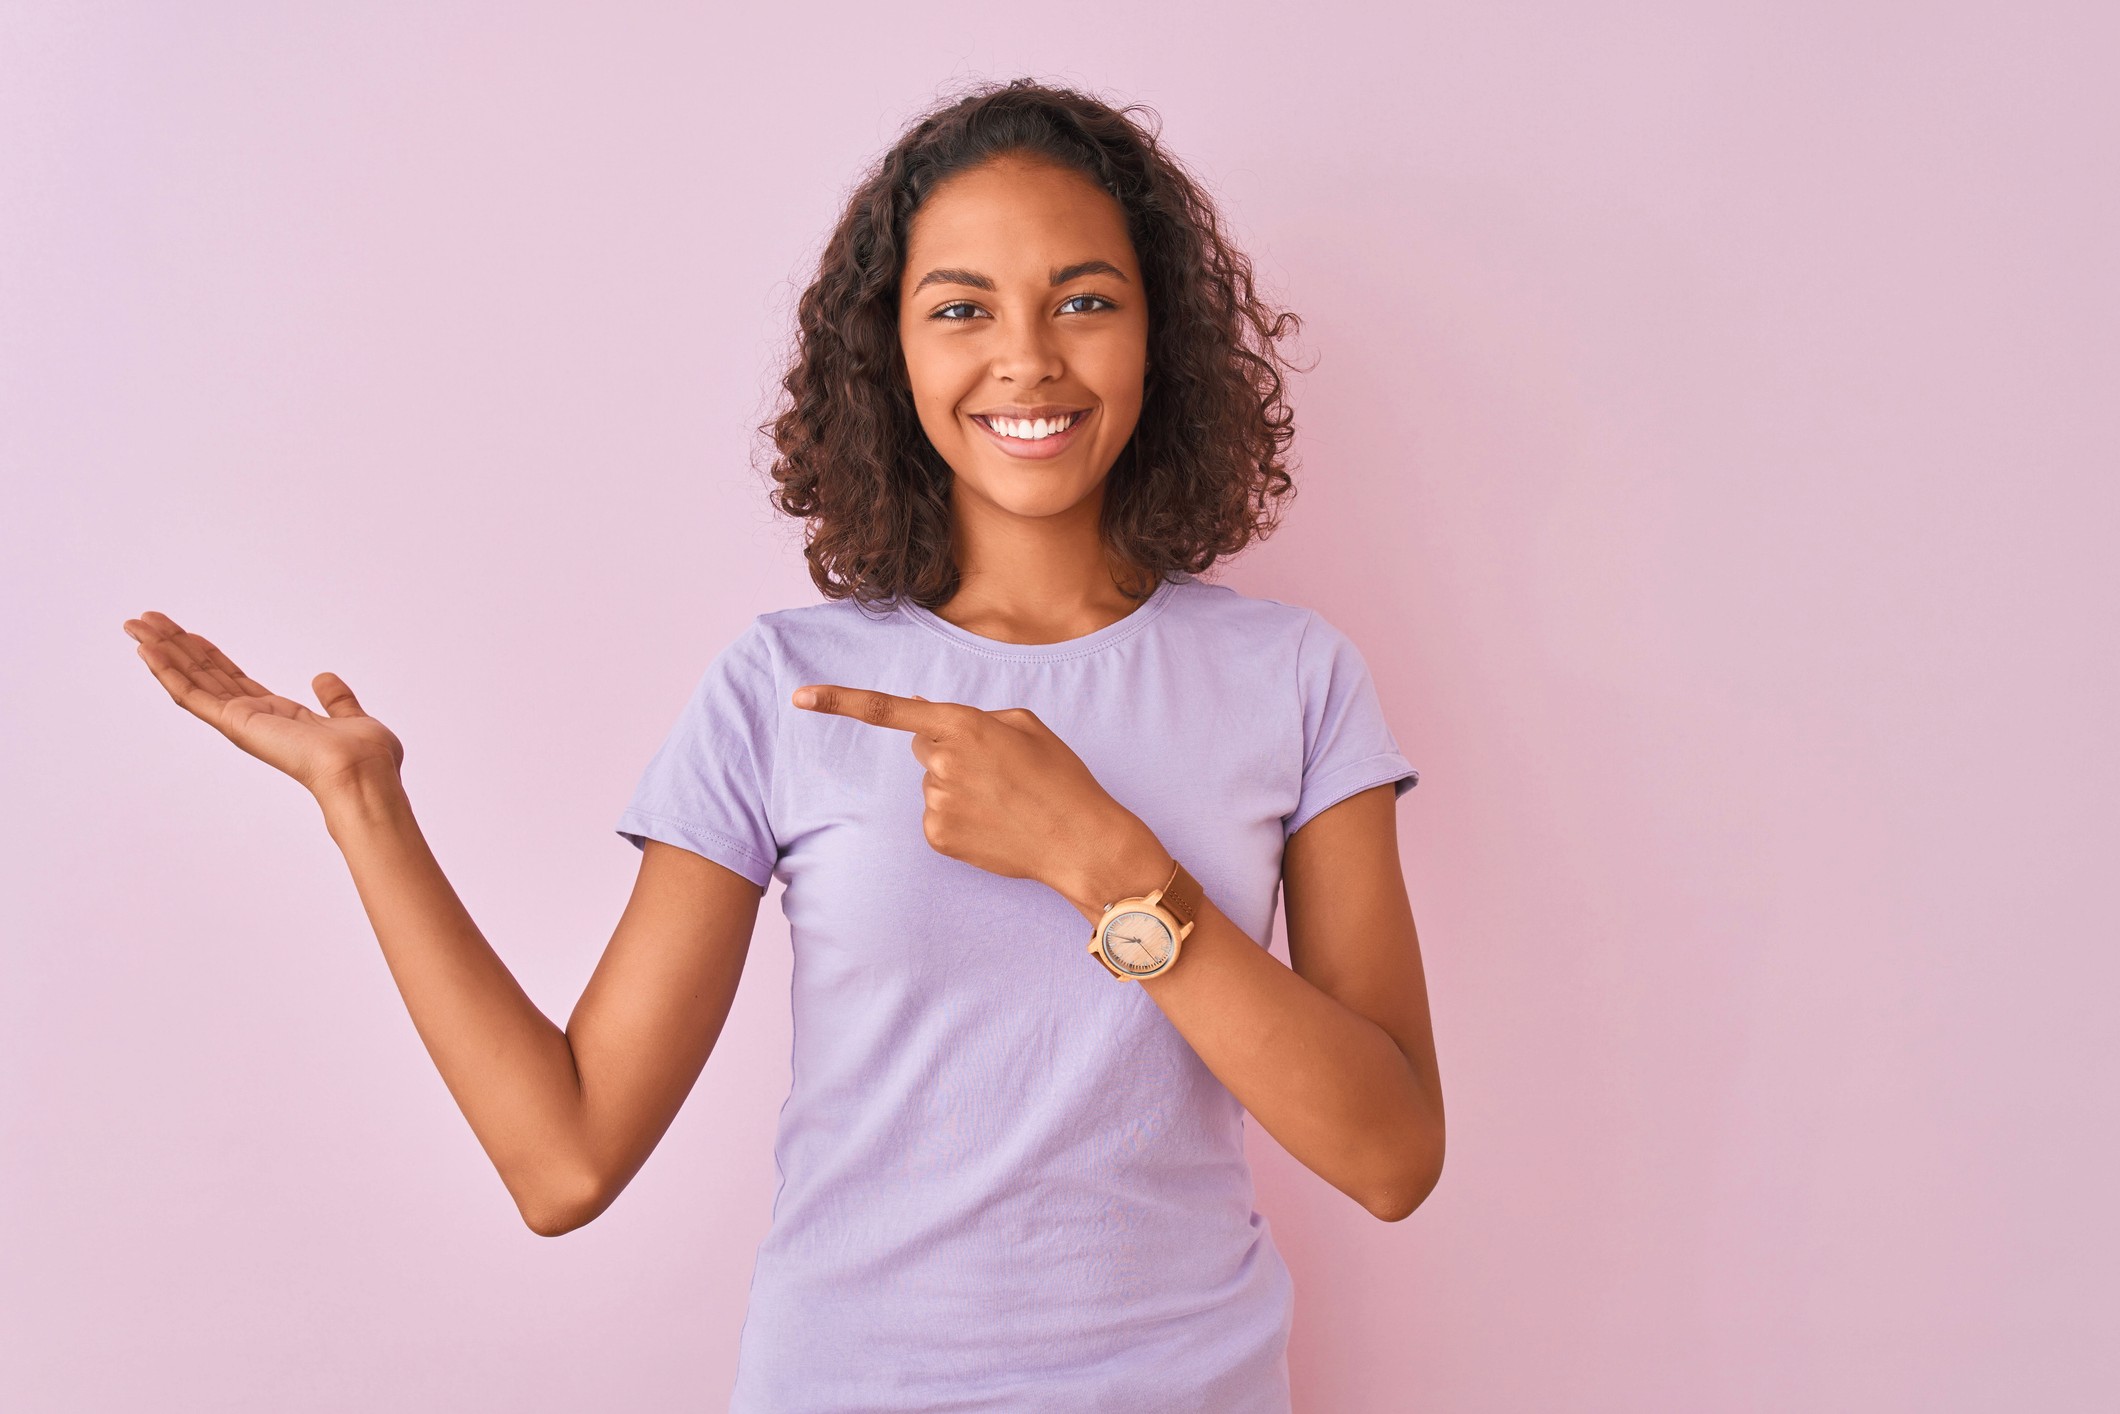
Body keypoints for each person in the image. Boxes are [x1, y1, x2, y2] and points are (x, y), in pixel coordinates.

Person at [123, 77, 1444, 1414]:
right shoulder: (788, 686)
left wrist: (1102, 860)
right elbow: (563, 1157)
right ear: (895, 351)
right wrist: (365, 806)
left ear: (1158, 333)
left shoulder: (1293, 678)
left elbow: (1393, 1154)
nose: (1029, 357)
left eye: (1085, 298)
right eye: (963, 307)